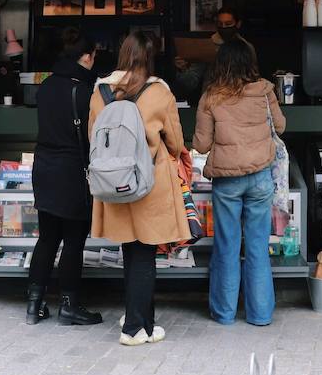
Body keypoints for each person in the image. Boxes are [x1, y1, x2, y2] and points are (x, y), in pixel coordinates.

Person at [89, 31, 188, 346]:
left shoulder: (100, 91)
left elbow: (94, 137)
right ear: (150, 57)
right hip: (149, 183)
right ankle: (134, 327)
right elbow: (175, 142)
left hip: (113, 182)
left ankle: (144, 321)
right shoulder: (160, 93)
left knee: (130, 252)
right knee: (144, 254)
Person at [191, 39, 285, 327]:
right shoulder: (265, 91)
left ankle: (224, 313)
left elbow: (202, 144)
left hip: (227, 181)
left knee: (227, 246)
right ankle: (260, 314)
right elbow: (279, 126)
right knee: (257, 246)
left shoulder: (211, 97)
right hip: (259, 178)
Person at [27, 28, 103, 326]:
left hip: (44, 169)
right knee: (73, 240)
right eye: (94, 56)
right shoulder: (85, 92)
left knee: (47, 237)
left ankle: (34, 304)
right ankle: (70, 305)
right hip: (72, 173)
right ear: (86, 57)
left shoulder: (45, 86)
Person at [174, 6, 252, 101]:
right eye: (220, 24)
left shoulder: (247, 48)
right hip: (212, 101)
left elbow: (253, 76)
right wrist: (183, 69)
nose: (223, 27)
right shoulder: (207, 46)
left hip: (241, 100)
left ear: (238, 24)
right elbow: (191, 82)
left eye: (228, 24)